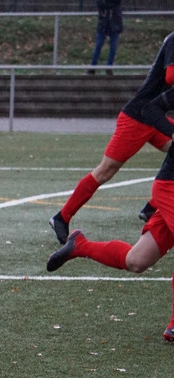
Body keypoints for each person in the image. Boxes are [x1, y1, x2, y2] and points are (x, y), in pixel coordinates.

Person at [47, 81, 174, 342]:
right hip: (171, 186)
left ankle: (80, 245)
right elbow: (150, 109)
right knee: (105, 169)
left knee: (136, 261)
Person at [49, 31, 174, 246]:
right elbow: (171, 76)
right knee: (105, 170)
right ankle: (62, 217)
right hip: (138, 116)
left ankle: (151, 207)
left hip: (155, 116)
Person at [89, 0, 122, 75]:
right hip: (104, 22)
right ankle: (93, 66)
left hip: (115, 22)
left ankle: (109, 67)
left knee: (113, 47)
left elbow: (116, 2)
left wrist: (106, 4)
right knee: (98, 45)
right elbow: (99, 3)